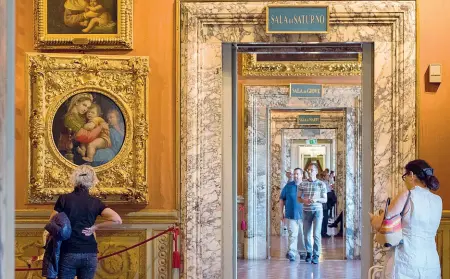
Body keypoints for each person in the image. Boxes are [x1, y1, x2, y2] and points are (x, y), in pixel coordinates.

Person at [370, 159, 442, 279]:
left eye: (405, 176)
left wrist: (373, 218)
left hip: (406, 262)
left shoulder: (407, 195)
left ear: (412, 175)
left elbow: (380, 224)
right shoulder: (438, 200)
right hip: (431, 262)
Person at [48, 165, 122, 279]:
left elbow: (52, 222)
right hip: (90, 252)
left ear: (74, 179)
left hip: (68, 251)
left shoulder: (64, 199)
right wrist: (95, 228)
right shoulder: (95, 202)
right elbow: (117, 220)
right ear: (92, 181)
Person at [298, 163, 327, 264]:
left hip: (317, 211)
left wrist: (316, 199)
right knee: (306, 234)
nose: (310, 172)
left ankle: (316, 255)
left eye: (312, 170)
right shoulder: (302, 184)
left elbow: (325, 199)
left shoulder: (321, 184)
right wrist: (303, 200)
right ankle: (309, 252)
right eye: (308, 170)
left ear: (316, 171)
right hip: (306, 211)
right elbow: (298, 198)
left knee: (316, 234)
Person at [280, 168, 305, 261]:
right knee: (292, 234)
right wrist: (280, 213)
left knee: (302, 235)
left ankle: (303, 252)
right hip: (290, 214)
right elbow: (282, 199)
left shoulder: (305, 185)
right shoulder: (288, 186)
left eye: (298, 174)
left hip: (304, 215)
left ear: (302, 175)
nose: (295, 176)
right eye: (294, 174)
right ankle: (292, 252)